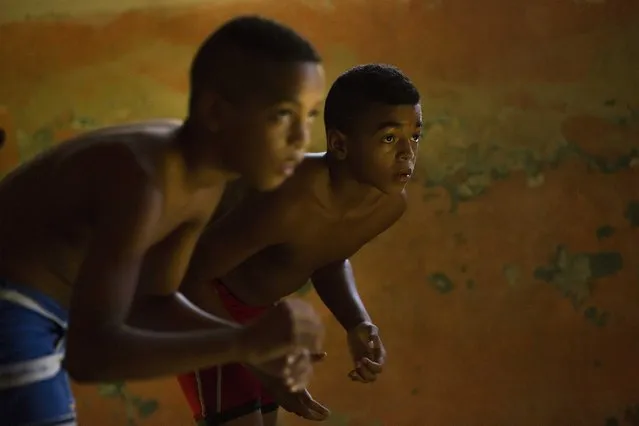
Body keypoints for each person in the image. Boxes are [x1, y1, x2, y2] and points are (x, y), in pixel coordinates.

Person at [0, 15, 327, 426]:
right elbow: (91, 356)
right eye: (282, 115)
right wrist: (241, 341)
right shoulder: (143, 180)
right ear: (215, 112)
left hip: (40, 311)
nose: (302, 139)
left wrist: (253, 355)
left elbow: (153, 301)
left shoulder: (204, 179)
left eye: (311, 115)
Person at [178, 63, 422, 426]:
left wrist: (356, 321)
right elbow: (189, 276)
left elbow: (325, 255)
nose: (406, 153)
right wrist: (255, 355)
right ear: (339, 144)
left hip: (257, 314)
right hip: (201, 303)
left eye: (415, 136)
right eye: (388, 138)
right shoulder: (289, 201)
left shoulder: (388, 205)